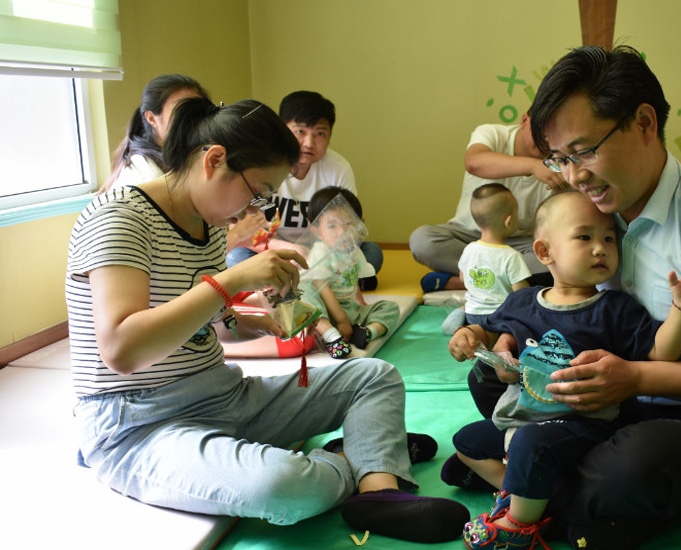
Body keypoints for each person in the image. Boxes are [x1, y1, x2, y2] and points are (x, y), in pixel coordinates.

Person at [65, 96, 468, 543]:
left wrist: (254, 322)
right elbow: (122, 349)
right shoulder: (119, 217)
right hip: (140, 424)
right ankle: (361, 455)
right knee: (284, 486)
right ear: (214, 161)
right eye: (257, 191)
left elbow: (207, 327)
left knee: (374, 375)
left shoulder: (207, 224)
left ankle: (378, 490)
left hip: (221, 394)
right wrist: (232, 279)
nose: (253, 209)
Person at [460, 44, 681, 549]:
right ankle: (557, 492)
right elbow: (571, 310)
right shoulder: (597, 209)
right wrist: (512, 342)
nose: (573, 176)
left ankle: (522, 481)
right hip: (620, 406)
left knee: (633, 466)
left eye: (584, 151)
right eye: (560, 159)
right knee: (488, 374)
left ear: (643, 123)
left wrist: (636, 377)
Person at [446, 190, 681, 549]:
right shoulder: (522, 301)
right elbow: (489, 329)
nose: (600, 248)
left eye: (609, 239)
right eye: (585, 237)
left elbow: (661, 352)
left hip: (586, 423)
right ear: (545, 252)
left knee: (529, 444)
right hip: (524, 416)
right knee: (466, 443)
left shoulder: (614, 308)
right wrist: (468, 335)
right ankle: (530, 497)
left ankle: (518, 528)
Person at [226, 91, 383, 288]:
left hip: (323, 251)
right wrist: (290, 249)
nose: (309, 143)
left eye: (320, 134)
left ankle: (296, 282)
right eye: (300, 131)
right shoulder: (261, 165)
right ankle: (335, 283)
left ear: (330, 136)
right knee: (236, 256)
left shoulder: (339, 169)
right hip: (272, 249)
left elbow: (348, 224)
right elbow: (243, 234)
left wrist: (319, 253)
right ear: (282, 130)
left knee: (372, 252)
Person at [409, 112, 569, 292]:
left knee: (561, 258)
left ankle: (464, 282)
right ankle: (507, 280)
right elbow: (473, 162)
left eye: (554, 134)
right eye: (541, 131)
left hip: (520, 243)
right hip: (469, 236)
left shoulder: (561, 157)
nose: (546, 140)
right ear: (524, 120)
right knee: (422, 240)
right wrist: (533, 165)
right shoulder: (492, 134)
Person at [300, 187, 400, 359]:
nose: (342, 232)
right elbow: (322, 287)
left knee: (390, 308)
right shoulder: (321, 251)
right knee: (302, 291)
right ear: (317, 232)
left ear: (360, 224)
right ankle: (331, 336)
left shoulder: (354, 250)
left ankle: (367, 333)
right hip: (326, 312)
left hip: (351, 311)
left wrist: (360, 305)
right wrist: (341, 321)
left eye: (348, 223)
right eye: (332, 226)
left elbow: (353, 279)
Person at [440, 183, 532, 335]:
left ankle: (463, 318)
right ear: (508, 221)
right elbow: (521, 293)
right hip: (501, 317)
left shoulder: (469, 249)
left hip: (473, 314)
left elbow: (463, 278)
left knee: (474, 316)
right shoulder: (511, 256)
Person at [101, 74, 209, 192]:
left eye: (197, 110)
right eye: (181, 110)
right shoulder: (145, 178)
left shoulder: (193, 156)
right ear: (151, 118)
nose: (192, 118)